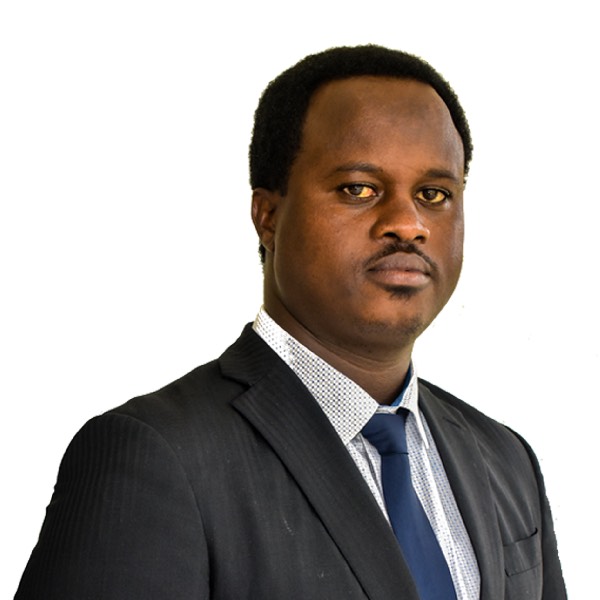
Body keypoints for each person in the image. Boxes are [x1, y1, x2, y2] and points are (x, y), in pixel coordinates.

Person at [15, 45, 566, 599]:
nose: (408, 223)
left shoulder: (506, 461)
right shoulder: (157, 457)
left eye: (434, 194)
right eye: (359, 189)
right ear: (268, 216)